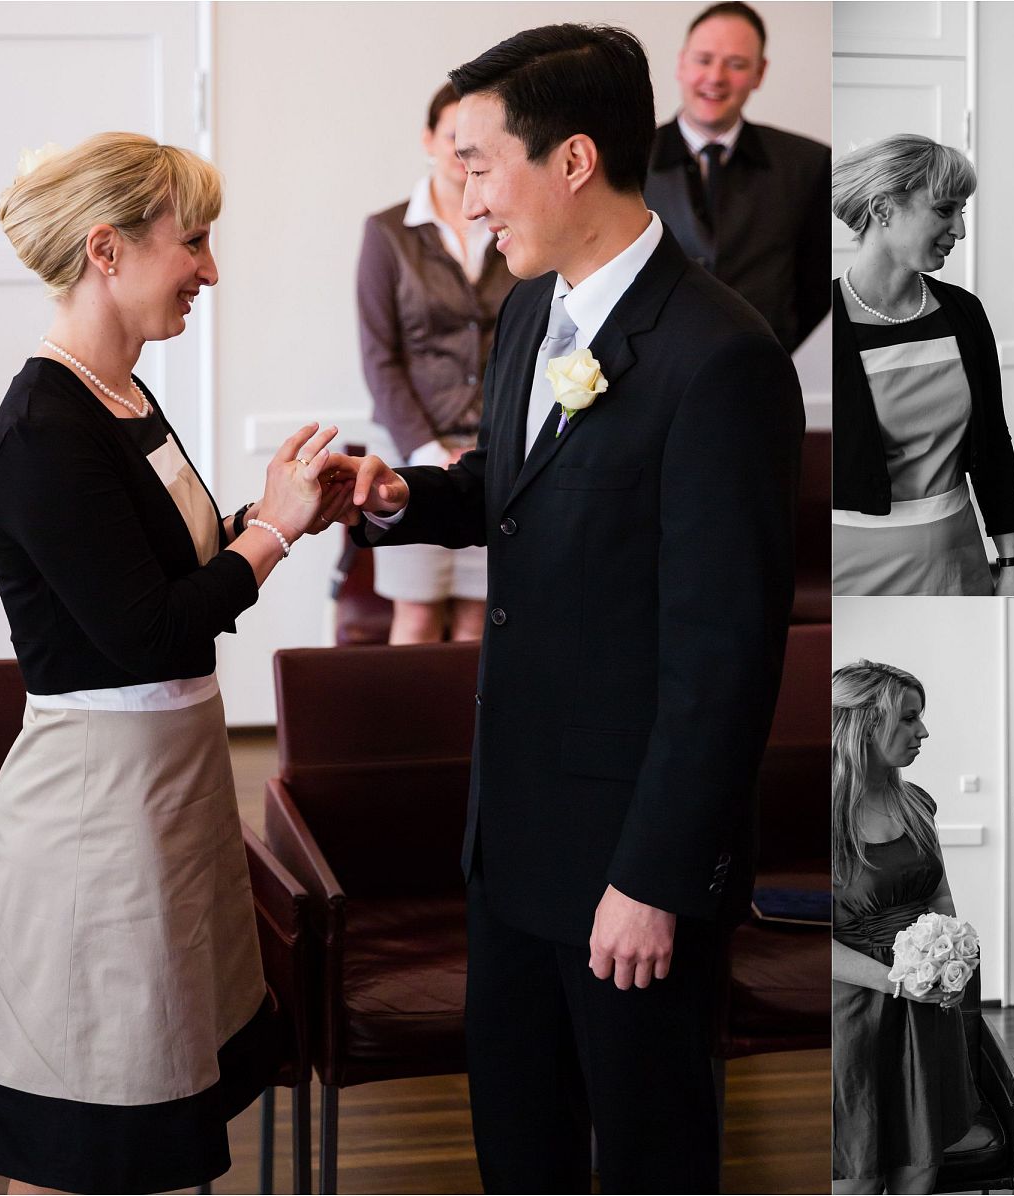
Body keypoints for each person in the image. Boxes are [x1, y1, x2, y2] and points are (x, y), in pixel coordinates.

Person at [334, 25, 802, 1192]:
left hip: (629, 867)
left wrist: (652, 876)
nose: (467, 196)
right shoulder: (535, 312)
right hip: (514, 839)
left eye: (483, 164)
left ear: (575, 159)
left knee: (648, 1157)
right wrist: (400, 498)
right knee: (523, 1150)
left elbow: (725, 656)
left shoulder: (721, 359)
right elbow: (512, 484)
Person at [0, 132, 351, 1193]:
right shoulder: (46, 425)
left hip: (167, 788)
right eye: (197, 241)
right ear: (107, 249)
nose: (211, 271)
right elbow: (151, 628)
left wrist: (273, 513)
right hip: (99, 812)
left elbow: (166, 564)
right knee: (84, 1116)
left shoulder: (121, 394)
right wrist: (267, 532)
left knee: (153, 1092)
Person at [831, 134, 1014, 597]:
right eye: (944, 210)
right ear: (883, 210)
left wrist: (1012, 564)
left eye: (962, 211)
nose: (959, 229)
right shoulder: (822, 323)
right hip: (850, 575)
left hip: (958, 564)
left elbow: (994, 445)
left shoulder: (964, 313)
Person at [357, 82, 516, 644]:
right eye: (452, 136)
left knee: (480, 622)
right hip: (413, 455)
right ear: (428, 139)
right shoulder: (387, 232)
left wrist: (490, 446)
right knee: (417, 615)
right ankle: (411, 737)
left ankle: (470, 737)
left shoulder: (511, 225)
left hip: (496, 454)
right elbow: (380, 359)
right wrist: (428, 452)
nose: (461, 151)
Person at [831, 661, 973, 1194]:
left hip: (925, 1010)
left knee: (920, 1167)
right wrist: (897, 982)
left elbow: (937, 892)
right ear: (865, 724)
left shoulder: (915, 802)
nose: (924, 731)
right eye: (909, 718)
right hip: (853, 1015)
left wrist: (953, 958)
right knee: (857, 1174)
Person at [647, 2, 832, 353]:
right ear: (682, 63)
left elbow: (817, 284)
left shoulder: (810, 163)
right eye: (704, 60)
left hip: (758, 368)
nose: (716, 77)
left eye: (736, 64)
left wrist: (772, 345)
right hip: (649, 369)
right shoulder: (628, 156)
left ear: (759, 73)